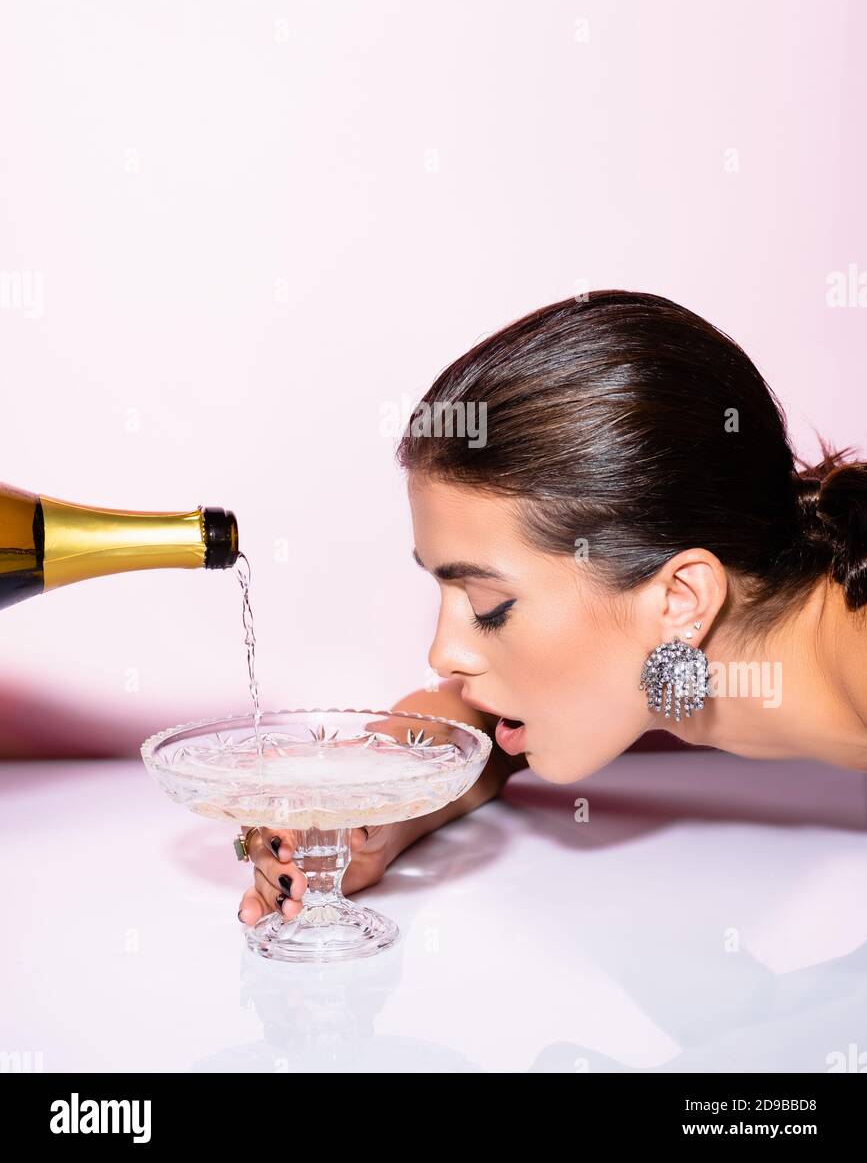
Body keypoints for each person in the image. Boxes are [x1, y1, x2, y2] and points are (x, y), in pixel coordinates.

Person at [237, 289, 867, 926]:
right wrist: (376, 806)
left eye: (490, 605)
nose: (442, 653)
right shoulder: (669, 668)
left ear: (682, 599)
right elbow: (482, 732)